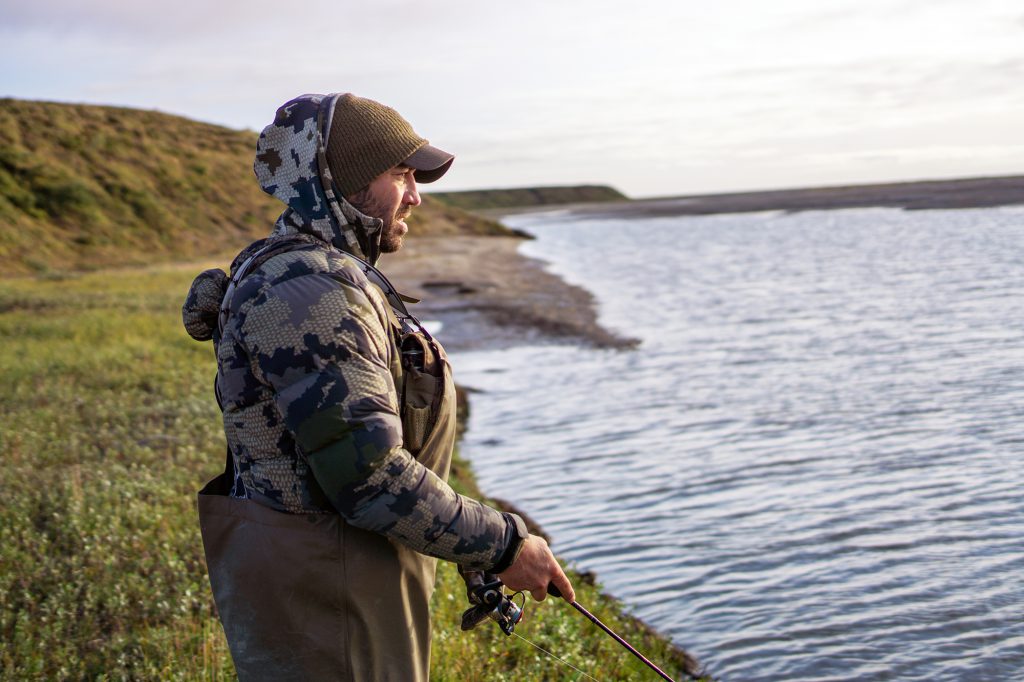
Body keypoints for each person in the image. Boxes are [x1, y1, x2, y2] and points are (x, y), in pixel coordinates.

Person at [181, 92, 574, 681]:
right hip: (324, 607)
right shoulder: (311, 290)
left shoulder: (326, 275)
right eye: (400, 174)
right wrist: (505, 544)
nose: (415, 195)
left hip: (341, 589)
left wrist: (468, 552)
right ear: (339, 179)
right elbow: (370, 479)